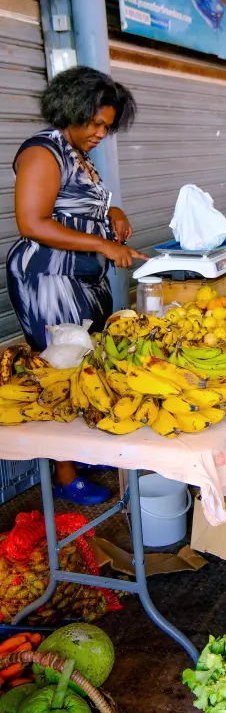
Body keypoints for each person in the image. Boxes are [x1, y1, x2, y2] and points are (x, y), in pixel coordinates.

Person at [8, 65, 144, 505]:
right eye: (97, 123)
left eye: (108, 125)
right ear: (71, 110)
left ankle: (81, 452)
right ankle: (64, 473)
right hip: (48, 277)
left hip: (80, 277)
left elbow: (82, 206)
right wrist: (103, 247)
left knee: (87, 366)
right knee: (60, 371)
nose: (102, 132)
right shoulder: (43, 152)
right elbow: (32, 222)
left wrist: (115, 216)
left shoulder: (78, 154)